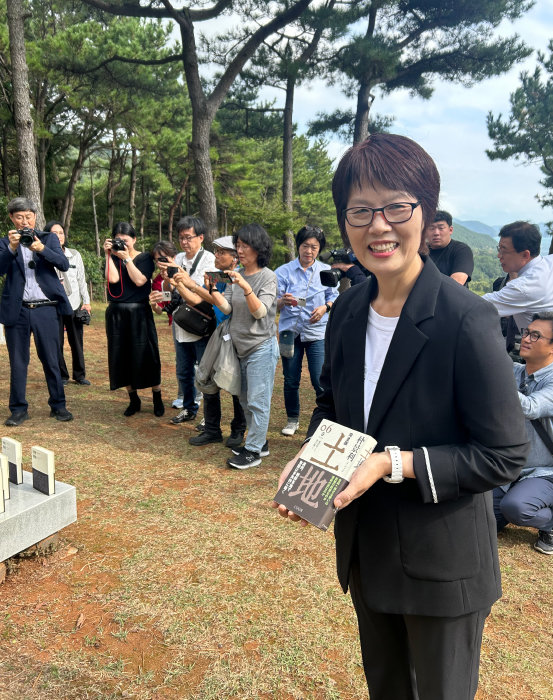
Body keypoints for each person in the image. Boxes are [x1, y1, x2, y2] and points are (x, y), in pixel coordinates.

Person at [273, 133, 529, 700]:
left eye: (396, 207)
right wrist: (315, 461)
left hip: (442, 564)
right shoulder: (347, 313)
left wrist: (392, 463)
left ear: (426, 214)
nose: (378, 226)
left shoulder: (466, 319)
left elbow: (505, 453)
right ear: (344, 222)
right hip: (368, 551)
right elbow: (334, 408)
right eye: (360, 211)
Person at [206, 224, 279, 469]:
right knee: (245, 399)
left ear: (258, 249)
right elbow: (226, 309)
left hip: (261, 347)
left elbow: (260, 312)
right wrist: (213, 289)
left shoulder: (268, 276)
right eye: (238, 245)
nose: (240, 250)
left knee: (258, 400)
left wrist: (246, 286)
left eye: (244, 246)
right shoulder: (236, 274)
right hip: (239, 347)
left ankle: (253, 451)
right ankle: (260, 442)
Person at [0, 197, 74, 425]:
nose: (24, 221)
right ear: (12, 219)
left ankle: (58, 406)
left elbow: (62, 264)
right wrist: (12, 248)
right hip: (18, 310)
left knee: (51, 359)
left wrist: (40, 248)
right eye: (19, 217)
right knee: (18, 362)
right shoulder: (5, 242)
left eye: (28, 216)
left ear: (35, 216)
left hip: (46, 309)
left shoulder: (48, 238)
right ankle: (19, 409)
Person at [175, 235, 247, 448]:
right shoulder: (217, 276)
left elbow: (222, 302)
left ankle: (238, 429)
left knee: (235, 383)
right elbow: (202, 299)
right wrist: (183, 285)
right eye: (215, 252)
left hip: (235, 336)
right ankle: (212, 429)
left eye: (221, 253)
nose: (216, 256)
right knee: (207, 379)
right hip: (217, 335)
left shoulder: (237, 277)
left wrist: (194, 286)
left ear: (235, 258)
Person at [494, 312, 553, 555]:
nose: (526, 339)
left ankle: (550, 523)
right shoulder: (516, 372)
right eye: (527, 332)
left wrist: (493, 379)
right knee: (481, 515)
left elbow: (530, 407)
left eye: (536, 335)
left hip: (544, 471)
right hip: (510, 468)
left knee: (517, 507)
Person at [275, 226, 338, 436]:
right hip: (289, 333)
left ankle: (326, 419)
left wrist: (325, 307)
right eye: (305, 246)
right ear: (298, 246)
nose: (309, 251)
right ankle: (292, 419)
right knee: (291, 379)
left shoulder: (326, 271)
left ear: (319, 249)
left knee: (319, 379)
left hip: (316, 332)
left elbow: (335, 296)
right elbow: (270, 301)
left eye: (314, 247)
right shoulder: (283, 271)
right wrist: (281, 302)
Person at [104, 222, 163, 417]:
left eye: (126, 240)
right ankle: (133, 398)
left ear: (134, 239)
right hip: (117, 314)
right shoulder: (113, 257)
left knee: (148, 354)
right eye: (118, 239)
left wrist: (127, 259)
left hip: (139, 313)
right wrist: (108, 255)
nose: (122, 243)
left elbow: (140, 281)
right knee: (121, 356)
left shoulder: (144, 258)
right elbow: (112, 280)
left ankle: (157, 396)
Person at [169, 216, 216, 422]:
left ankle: (209, 415)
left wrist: (181, 282)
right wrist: (167, 278)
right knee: (183, 370)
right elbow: (170, 290)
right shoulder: (177, 259)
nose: (185, 242)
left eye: (189, 237)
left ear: (201, 237)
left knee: (205, 372)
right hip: (181, 323)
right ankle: (188, 407)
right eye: (181, 238)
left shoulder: (211, 261)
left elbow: (203, 296)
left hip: (201, 324)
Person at [482, 221, 553, 335]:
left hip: (539, 350)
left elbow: (477, 305)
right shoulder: (549, 262)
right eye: (499, 249)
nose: (499, 255)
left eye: (504, 250)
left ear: (525, 255)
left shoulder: (524, 287)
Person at [44, 220, 92, 386]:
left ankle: (79, 375)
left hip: (73, 304)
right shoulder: (43, 255)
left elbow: (81, 280)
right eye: (54, 233)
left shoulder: (74, 254)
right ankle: (62, 376)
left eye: (61, 233)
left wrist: (86, 302)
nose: (58, 236)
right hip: (53, 305)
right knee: (56, 342)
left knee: (77, 342)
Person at [425, 209, 474, 286]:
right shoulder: (420, 251)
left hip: (452, 297)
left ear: (450, 230)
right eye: (431, 228)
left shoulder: (461, 250)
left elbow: (455, 284)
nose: (436, 233)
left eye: (441, 228)